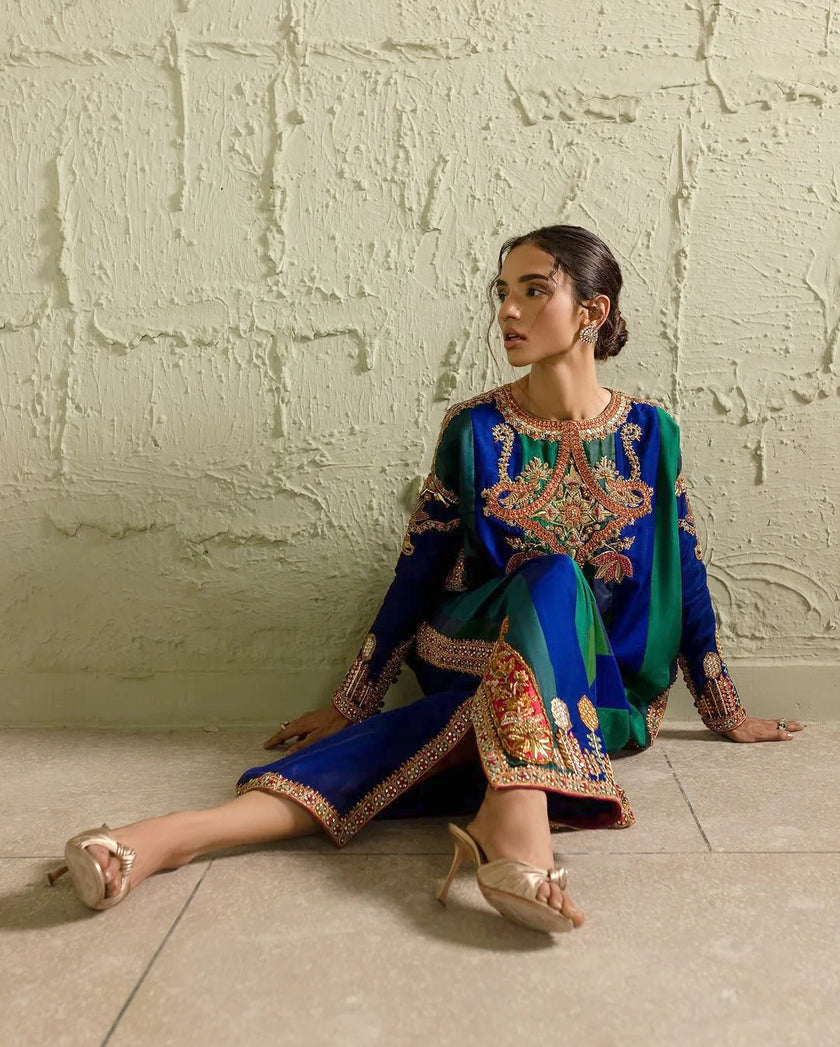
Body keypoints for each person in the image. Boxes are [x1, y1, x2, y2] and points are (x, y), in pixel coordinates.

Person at [48, 225, 804, 933]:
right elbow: (416, 575)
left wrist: (722, 707)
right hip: (471, 642)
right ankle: (520, 831)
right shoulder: (474, 430)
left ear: (592, 311)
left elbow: (687, 570)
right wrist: (352, 698)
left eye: (534, 290)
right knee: (553, 576)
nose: (506, 309)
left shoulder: (652, 434)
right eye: (502, 291)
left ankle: (163, 838)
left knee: (439, 737)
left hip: (599, 698)